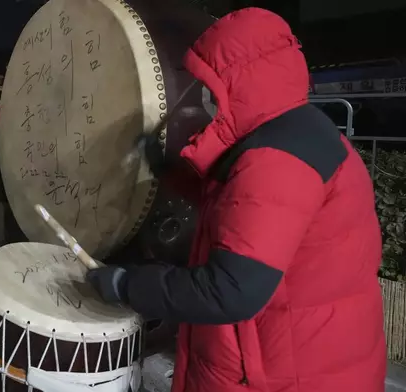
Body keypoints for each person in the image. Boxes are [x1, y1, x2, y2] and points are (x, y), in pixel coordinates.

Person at [86, 8, 385, 392]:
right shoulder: (294, 131)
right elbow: (242, 208)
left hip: (286, 374)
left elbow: (229, 290)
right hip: (301, 356)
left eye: (214, 85)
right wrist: (166, 170)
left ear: (243, 81)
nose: (208, 99)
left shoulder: (278, 161)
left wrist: (129, 286)